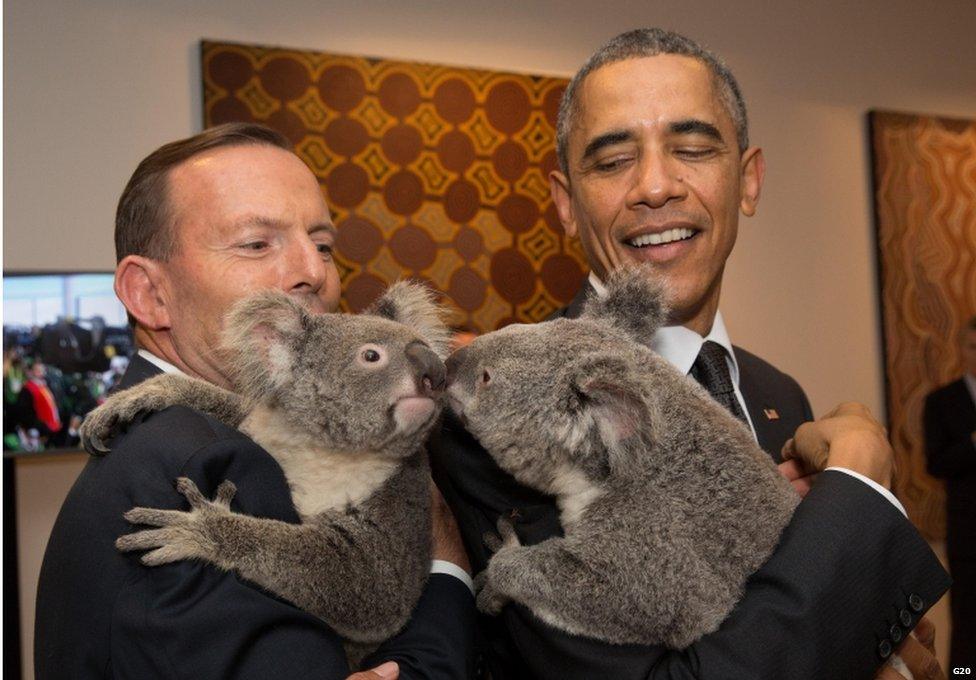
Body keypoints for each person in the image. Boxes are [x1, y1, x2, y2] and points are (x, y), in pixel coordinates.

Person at [429, 28, 950, 679]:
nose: (655, 186)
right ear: (567, 204)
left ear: (748, 181)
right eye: (613, 161)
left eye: (694, 148)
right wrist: (858, 486)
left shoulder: (777, 394)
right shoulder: (499, 411)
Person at [35, 123, 476, 680]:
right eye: (255, 244)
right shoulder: (212, 463)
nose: (312, 272)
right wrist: (445, 567)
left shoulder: (158, 431)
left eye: (322, 246)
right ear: (149, 294)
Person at [924, 315, 976, 673]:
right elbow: (936, 463)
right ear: (961, 349)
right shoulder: (942, 401)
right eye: (974, 346)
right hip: (969, 535)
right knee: (968, 627)